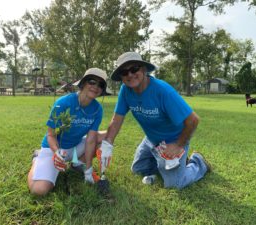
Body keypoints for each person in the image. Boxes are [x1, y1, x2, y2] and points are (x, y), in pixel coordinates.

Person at [99, 52, 211, 189]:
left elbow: (193, 120)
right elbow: (116, 120)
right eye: (124, 72)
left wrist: (178, 145)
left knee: (174, 184)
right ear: (121, 77)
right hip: (151, 140)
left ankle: (198, 162)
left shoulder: (163, 91)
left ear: (144, 70)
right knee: (138, 169)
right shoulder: (126, 90)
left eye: (134, 69)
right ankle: (168, 161)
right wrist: (108, 144)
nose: (130, 74)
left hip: (173, 139)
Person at [28, 68, 109, 196]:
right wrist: (57, 152)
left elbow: (91, 139)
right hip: (54, 148)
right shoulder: (63, 103)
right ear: (83, 84)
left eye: (101, 85)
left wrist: (88, 169)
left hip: (74, 148)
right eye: (92, 82)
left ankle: (78, 164)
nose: (96, 87)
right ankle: (37, 158)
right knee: (39, 190)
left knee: (107, 136)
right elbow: (51, 134)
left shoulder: (97, 109)